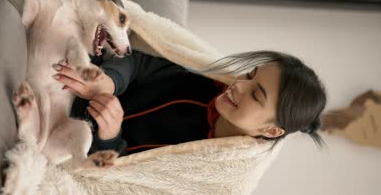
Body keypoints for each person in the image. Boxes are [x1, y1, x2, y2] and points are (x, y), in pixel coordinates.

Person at [51, 49, 326, 157]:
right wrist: (110, 81)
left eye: (256, 95)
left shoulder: (215, 172)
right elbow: (141, 59)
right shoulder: (208, 81)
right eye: (249, 74)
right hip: (71, 87)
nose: (239, 85)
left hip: (76, 149)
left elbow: (129, 186)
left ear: (271, 130)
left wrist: (110, 137)